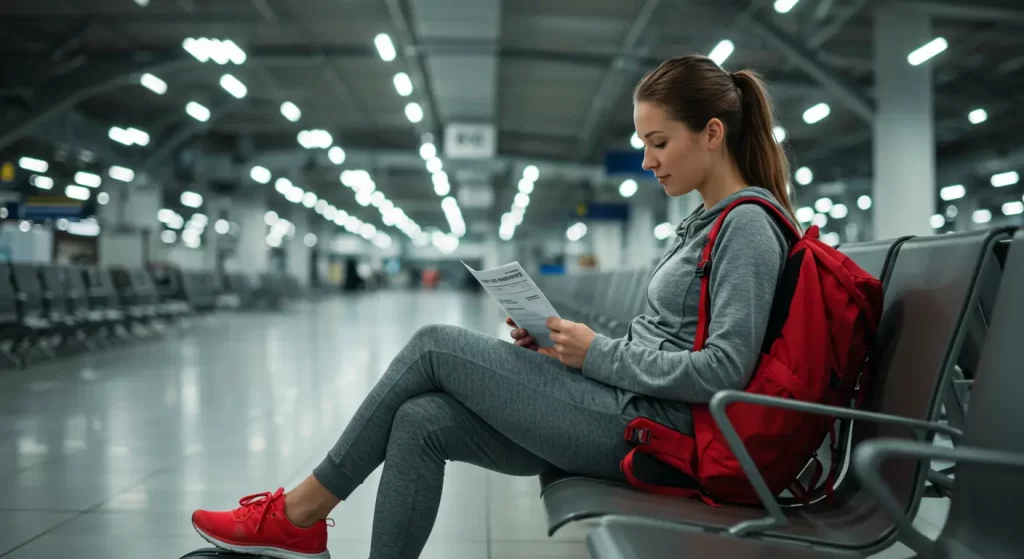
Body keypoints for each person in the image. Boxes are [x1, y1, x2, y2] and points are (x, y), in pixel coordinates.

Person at [190, 54, 801, 559]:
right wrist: (563, 347)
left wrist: (597, 354)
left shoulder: (747, 225)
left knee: (433, 343)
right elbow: (670, 341)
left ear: (713, 133)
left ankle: (301, 512)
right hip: (624, 411)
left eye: (659, 142)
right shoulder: (704, 221)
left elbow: (726, 372)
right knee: (420, 421)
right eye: (643, 143)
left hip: (656, 434)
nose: (647, 160)